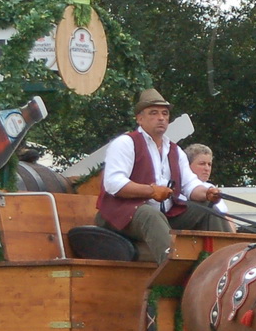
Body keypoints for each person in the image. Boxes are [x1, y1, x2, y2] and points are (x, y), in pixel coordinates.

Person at [96, 89, 224, 263]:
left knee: (207, 207)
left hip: (164, 216)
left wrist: (206, 193)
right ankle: (172, 275)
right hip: (121, 215)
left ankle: (223, 263)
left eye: (165, 113)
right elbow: (113, 183)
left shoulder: (175, 150)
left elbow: (190, 184)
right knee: (150, 215)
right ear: (139, 118)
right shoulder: (126, 143)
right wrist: (151, 191)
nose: (161, 118)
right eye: (154, 113)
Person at [178, 143, 232, 232]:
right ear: (186, 165)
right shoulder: (181, 188)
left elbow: (228, 219)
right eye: (202, 164)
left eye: (209, 164)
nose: (207, 168)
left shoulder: (212, 188)